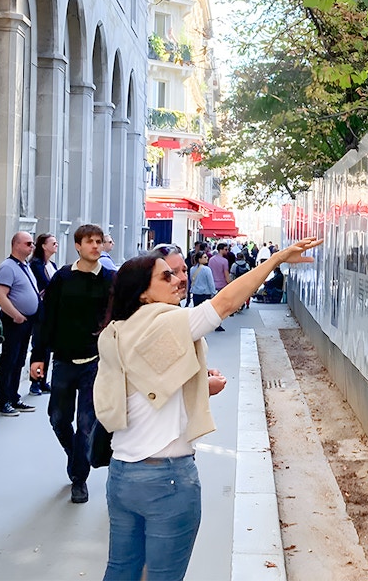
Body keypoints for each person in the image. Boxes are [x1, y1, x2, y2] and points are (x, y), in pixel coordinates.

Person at [94, 237, 322, 580]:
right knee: (163, 575)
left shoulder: (116, 332)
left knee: (122, 570)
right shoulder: (170, 323)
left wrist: (200, 385)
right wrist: (275, 261)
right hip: (166, 478)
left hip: (123, 473)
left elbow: (146, 389)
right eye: (166, 277)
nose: (177, 280)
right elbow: (227, 300)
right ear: (143, 293)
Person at [31, 224, 115, 504]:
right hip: (64, 361)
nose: (95, 246)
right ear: (77, 246)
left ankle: (79, 478)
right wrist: (38, 356)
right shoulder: (62, 279)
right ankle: (76, 456)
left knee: (87, 424)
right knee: (57, 418)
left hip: (95, 362)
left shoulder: (111, 279)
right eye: (89, 241)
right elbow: (46, 318)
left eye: (99, 241)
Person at [0, 232, 40, 417]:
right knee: (9, 360)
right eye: (28, 243)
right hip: (14, 322)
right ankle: (3, 400)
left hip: (26, 322)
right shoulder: (7, 267)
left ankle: (13, 397)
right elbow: (0, 295)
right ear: (16, 245)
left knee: (19, 361)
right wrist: (16, 315)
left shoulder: (24, 265)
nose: (32, 247)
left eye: (32, 244)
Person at [28, 233, 59, 395]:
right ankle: (35, 382)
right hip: (41, 312)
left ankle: (43, 379)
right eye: (52, 243)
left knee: (47, 348)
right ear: (43, 246)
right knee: (39, 347)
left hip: (52, 312)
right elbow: (49, 285)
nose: (56, 245)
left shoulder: (52, 265)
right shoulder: (36, 264)